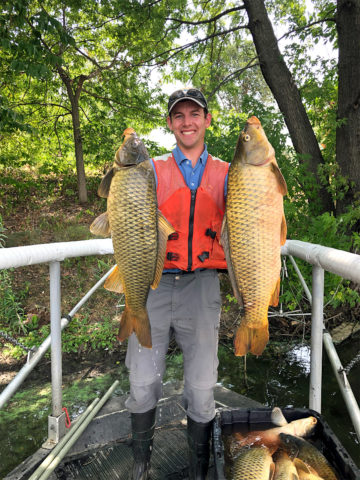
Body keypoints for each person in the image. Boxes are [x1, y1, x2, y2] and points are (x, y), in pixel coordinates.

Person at [125, 88, 229, 480]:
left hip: (202, 286)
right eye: (179, 115)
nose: (187, 121)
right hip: (152, 284)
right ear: (170, 123)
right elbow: (123, 203)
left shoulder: (228, 172)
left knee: (202, 387)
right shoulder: (149, 170)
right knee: (143, 380)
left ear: (207, 119)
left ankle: (199, 470)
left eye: (194, 114)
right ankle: (141, 464)